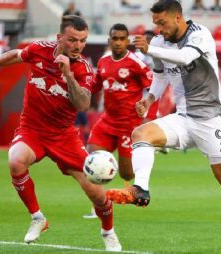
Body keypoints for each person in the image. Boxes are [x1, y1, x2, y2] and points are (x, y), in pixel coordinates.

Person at [106, 1, 221, 253]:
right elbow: (160, 76)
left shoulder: (201, 35)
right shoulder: (158, 43)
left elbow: (185, 57)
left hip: (212, 119)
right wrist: (149, 99)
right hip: (183, 118)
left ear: (178, 18)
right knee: (141, 133)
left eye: (162, 22)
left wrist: (150, 49)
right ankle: (141, 190)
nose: (158, 28)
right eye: (155, 23)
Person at [0, 15, 121, 251]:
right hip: (32, 130)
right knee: (16, 161)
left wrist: (68, 74)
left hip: (64, 136)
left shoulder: (83, 68)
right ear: (60, 38)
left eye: (83, 41)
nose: (78, 45)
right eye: (72, 40)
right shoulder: (40, 49)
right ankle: (38, 218)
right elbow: (16, 55)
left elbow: (82, 105)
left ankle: (108, 231)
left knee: (97, 194)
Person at [82, 23, 154, 219]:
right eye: (115, 38)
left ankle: (128, 189)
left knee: (127, 174)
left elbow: (154, 85)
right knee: (91, 162)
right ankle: (99, 207)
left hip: (128, 125)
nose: (119, 42)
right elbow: (95, 85)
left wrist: (145, 106)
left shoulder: (136, 64)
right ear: (109, 40)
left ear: (128, 41)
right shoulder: (104, 61)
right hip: (107, 121)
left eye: (123, 39)